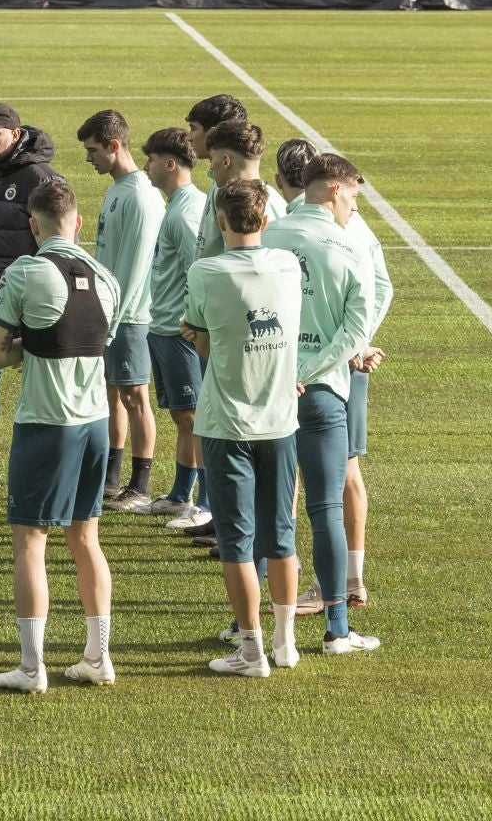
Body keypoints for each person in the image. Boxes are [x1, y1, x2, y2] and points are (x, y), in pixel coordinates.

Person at [0, 177, 120, 694]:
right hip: (95, 424)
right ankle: (98, 657)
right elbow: (90, 339)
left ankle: (30, 666)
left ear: (32, 225)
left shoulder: (25, 271)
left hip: (47, 422)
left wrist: (28, 347)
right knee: (86, 537)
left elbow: (0, 355)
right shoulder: (105, 277)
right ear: (78, 223)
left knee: (30, 541)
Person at [182, 179, 304, 677]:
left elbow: (203, 341)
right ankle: (286, 641)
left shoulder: (205, 271)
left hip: (227, 422)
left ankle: (251, 651)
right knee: (282, 535)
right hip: (280, 421)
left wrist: (199, 336)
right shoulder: (287, 265)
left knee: (237, 540)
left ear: (219, 221)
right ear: (266, 220)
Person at [263, 154, 381, 657]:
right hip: (324, 396)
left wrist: (281, 372)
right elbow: (356, 330)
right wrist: (312, 370)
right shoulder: (352, 246)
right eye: (353, 195)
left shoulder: (268, 237)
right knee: (325, 507)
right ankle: (337, 628)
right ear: (334, 190)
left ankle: (254, 623)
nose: (353, 206)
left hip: (267, 395)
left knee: (268, 509)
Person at [0, 102, 61, 481]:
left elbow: (59, 243)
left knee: (41, 394)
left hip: (31, 308)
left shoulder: (41, 179)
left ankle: (43, 465)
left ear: (15, 135)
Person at [76, 110, 167, 512]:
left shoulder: (142, 196)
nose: (89, 158)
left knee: (135, 396)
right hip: (109, 311)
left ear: (115, 146)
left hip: (130, 317)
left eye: (93, 150)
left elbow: (138, 265)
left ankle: (141, 484)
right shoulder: (118, 189)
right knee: (112, 394)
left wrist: (114, 318)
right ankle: (111, 479)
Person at [140, 127, 211, 531]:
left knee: (195, 418)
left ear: (170, 164)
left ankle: (204, 503)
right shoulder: (180, 205)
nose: (146, 166)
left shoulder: (185, 214)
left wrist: (190, 326)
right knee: (183, 419)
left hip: (178, 332)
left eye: (151, 159)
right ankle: (182, 493)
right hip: (163, 328)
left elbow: (195, 274)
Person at [198, 121, 288, 261]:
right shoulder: (279, 203)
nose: (211, 167)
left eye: (212, 159)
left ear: (225, 161)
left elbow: (208, 253)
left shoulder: (230, 202)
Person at [184, 94, 247, 262]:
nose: (189, 137)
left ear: (213, 133)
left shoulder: (237, 193)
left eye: (193, 128)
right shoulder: (218, 184)